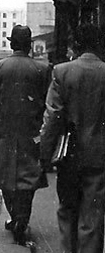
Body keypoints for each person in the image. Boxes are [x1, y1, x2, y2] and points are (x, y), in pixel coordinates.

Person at [0, 25, 50, 247]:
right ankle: (22, 218)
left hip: (4, 132)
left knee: (5, 176)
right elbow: (49, 101)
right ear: (29, 45)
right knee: (28, 177)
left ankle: (16, 216)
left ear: (11, 44)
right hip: (32, 132)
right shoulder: (43, 69)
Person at [39, 22, 105, 253]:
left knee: (67, 211)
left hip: (70, 154)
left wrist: (44, 155)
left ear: (76, 44)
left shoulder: (62, 72)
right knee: (93, 217)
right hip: (99, 156)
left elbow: (53, 117)